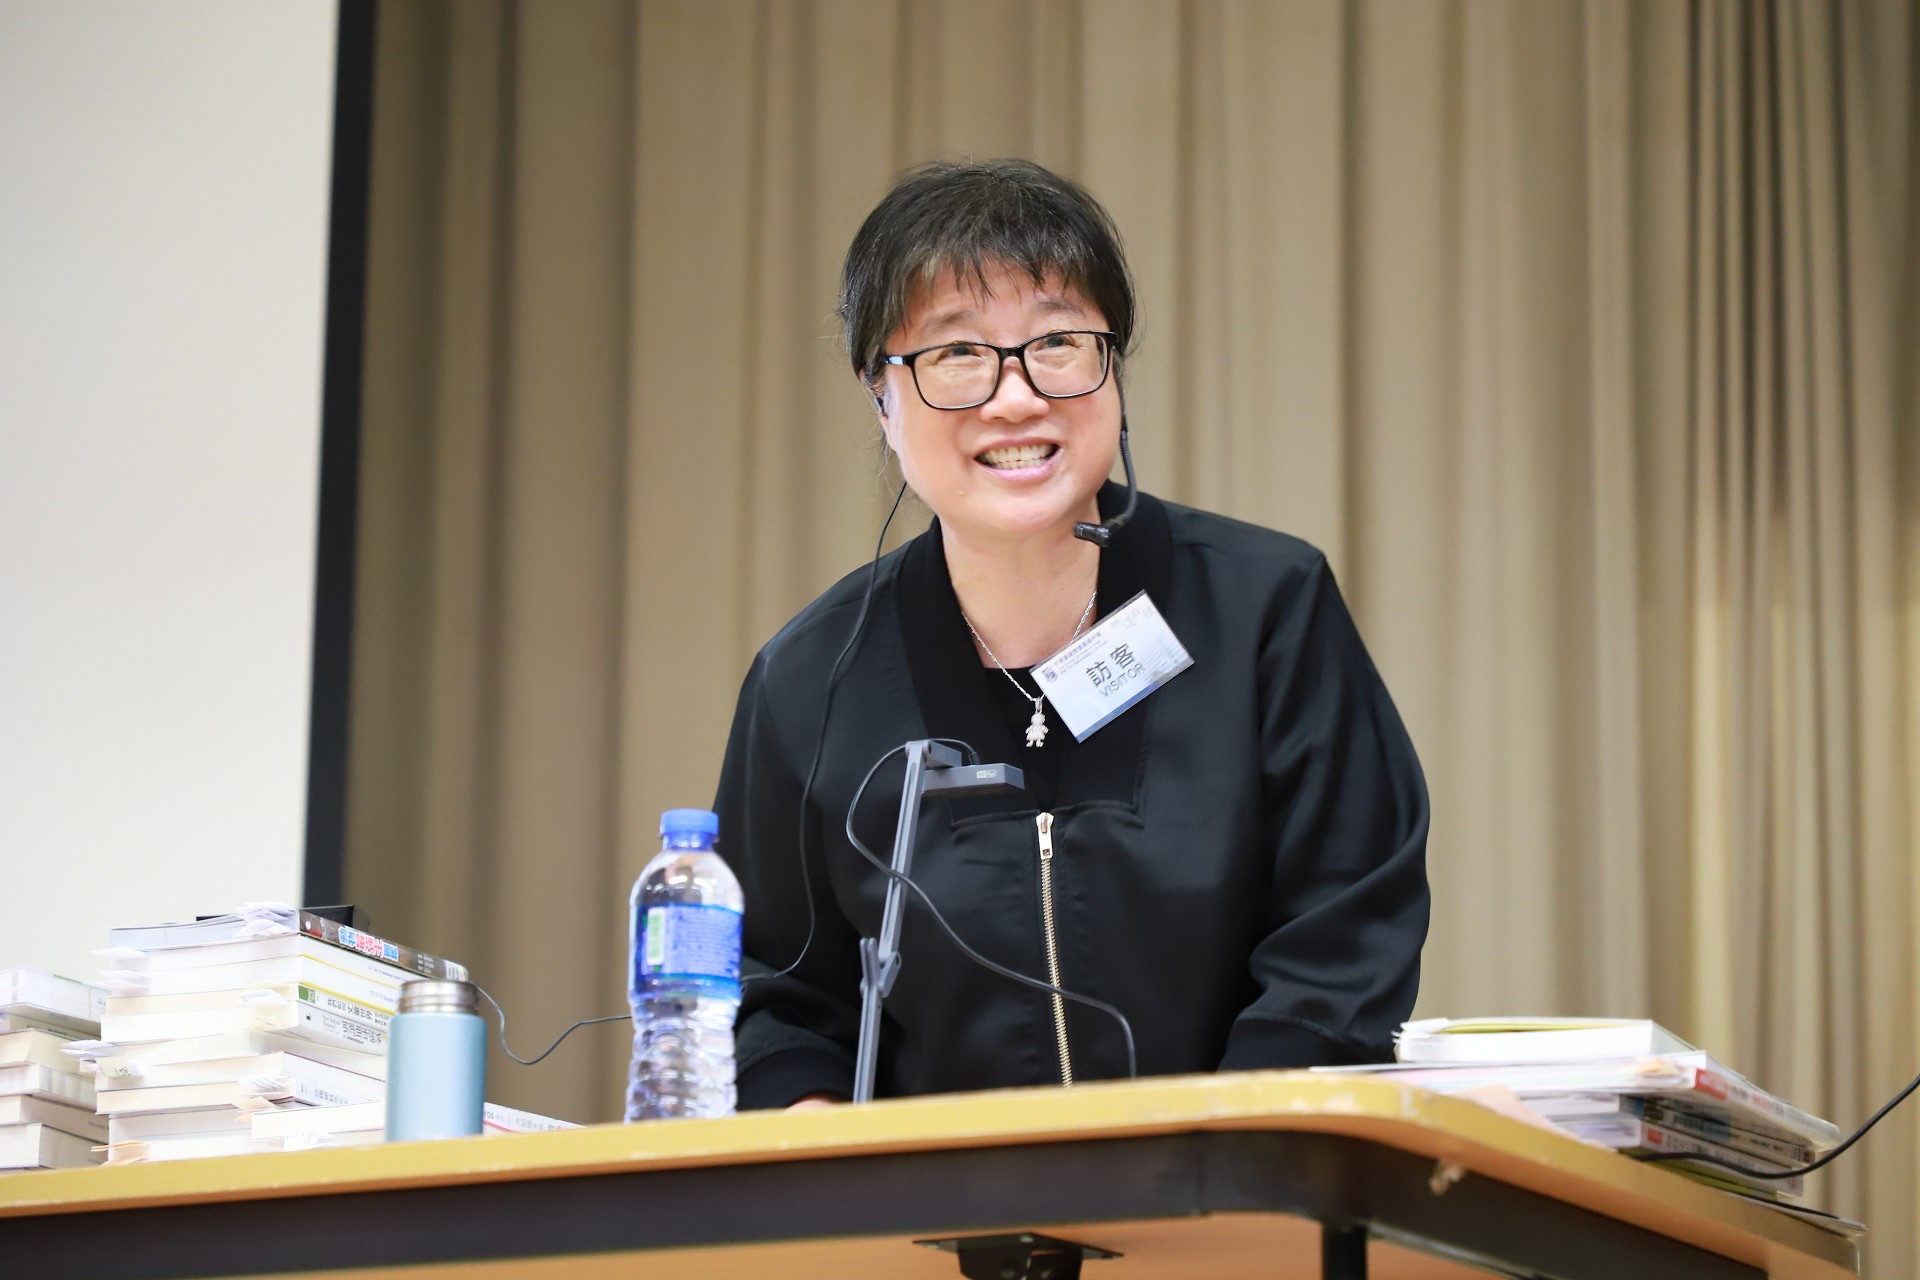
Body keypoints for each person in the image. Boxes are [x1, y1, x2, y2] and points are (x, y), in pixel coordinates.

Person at [714, 159, 1428, 1110]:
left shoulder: (1265, 610)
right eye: (956, 352)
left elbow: (1343, 940)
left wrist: (1222, 1154)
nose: (1014, 396)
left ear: (1113, 366)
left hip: (1237, 1176)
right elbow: (769, 998)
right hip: (931, 1198)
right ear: (881, 398)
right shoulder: (809, 681)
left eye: (1056, 340)